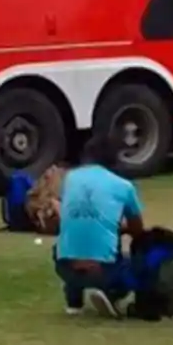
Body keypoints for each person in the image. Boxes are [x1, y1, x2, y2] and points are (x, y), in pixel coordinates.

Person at [54, 135, 145, 319]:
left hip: (64, 264)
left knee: (75, 241)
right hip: (104, 268)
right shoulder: (124, 186)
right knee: (137, 264)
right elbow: (138, 231)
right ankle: (111, 293)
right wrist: (120, 228)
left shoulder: (70, 178)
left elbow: (71, 215)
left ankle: (74, 301)